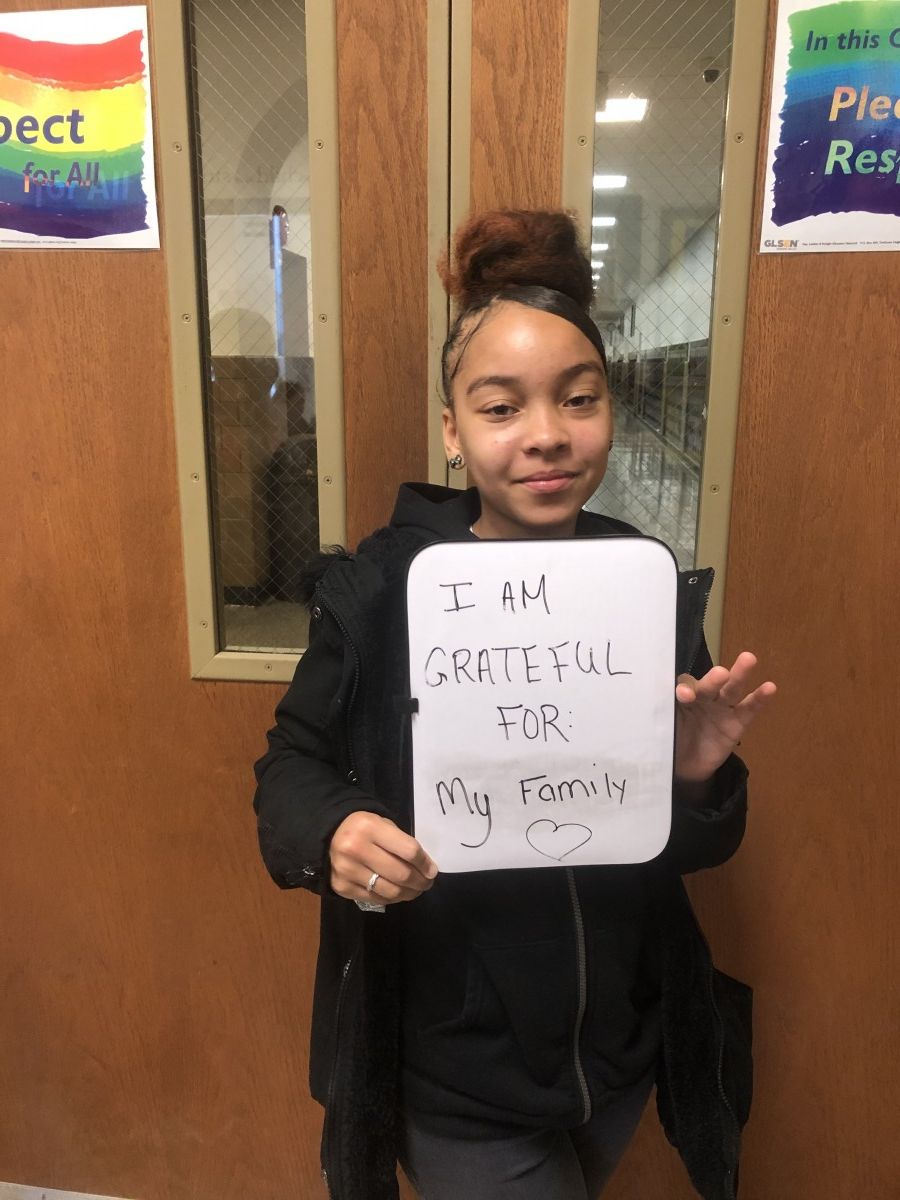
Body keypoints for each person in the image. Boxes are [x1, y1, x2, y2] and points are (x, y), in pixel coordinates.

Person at [253, 209, 776, 1200]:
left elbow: (685, 848)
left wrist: (694, 772)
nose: (547, 436)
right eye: (501, 409)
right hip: (455, 1070)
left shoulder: (642, 583)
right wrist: (335, 832)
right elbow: (289, 765)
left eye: (579, 400)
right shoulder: (380, 589)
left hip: (617, 1049)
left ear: (610, 411)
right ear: (453, 431)